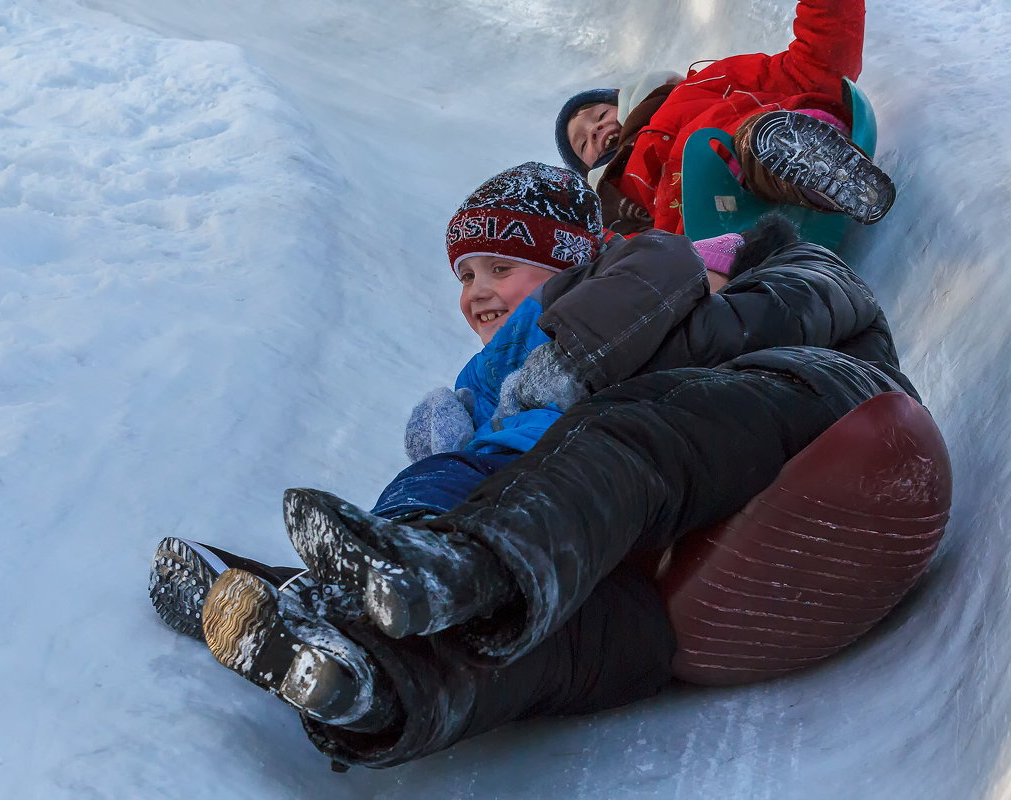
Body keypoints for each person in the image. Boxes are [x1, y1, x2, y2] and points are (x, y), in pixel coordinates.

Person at [155, 165, 914, 769]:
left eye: (500, 268)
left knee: (624, 431)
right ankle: (368, 679)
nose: (477, 292)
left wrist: (583, 356)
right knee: (548, 641)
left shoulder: (778, 263)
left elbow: (724, 320)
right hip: (646, 566)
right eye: (465, 276)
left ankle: (431, 570)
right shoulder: (511, 381)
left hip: (814, 406)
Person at [555, 0, 895, 238]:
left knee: (741, 137)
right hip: (706, 235)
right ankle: (809, 163)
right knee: (704, 159)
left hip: (753, 142)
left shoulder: (700, 86)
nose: (596, 129)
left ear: (620, 98)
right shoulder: (613, 208)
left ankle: (819, 164)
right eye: (583, 143)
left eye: (598, 114)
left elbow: (812, 68)